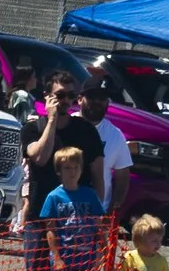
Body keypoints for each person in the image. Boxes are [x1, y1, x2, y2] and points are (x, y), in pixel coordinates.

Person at [20, 72, 105, 233]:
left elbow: (98, 177)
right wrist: (52, 120)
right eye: (60, 95)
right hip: (40, 217)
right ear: (46, 96)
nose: (66, 100)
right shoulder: (32, 129)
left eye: (70, 95)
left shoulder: (86, 130)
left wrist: (96, 215)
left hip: (78, 220)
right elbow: (40, 158)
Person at [36, 146, 108, 271]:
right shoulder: (54, 197)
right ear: (59, 171)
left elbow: (99, 226)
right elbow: (50, 230)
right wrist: (57, 257)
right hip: (65, 260)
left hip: (85, 260)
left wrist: (105, 251)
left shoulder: (90, 195)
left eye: (76, 167)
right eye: (67, 168)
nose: (72, 172)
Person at [78, 78, 134, 220]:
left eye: (102, 98)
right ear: (79, 99)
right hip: (63, 210)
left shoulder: (115, 135)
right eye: (91, 97)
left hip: (97, 215)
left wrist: (110, 213)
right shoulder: (68, 126)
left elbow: (122, 178)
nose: (97, 102)